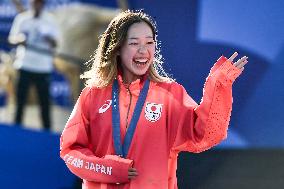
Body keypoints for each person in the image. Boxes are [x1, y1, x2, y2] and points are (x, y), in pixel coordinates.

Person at [60, 10, 248, 189]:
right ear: (117, 48)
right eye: (134, 43)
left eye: (149, 43)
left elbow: (205, 134)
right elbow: (71, 152)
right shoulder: (92, 96)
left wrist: (219, 84)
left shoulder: (170, 95)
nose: (143, 50)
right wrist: (108, 169)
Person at [8, 0, 59, 130]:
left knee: (44, 104)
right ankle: (16, 131)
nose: (36, 5)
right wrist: (19, 40)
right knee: (20, 102)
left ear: (43, 4)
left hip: (43, 68)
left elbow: (56, 44)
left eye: (39, 2)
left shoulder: (50, 20)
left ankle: (47, 134)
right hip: (24, 65)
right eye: (34, 2)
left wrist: (49, 39)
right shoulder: (22, 18)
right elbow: (11, 39)